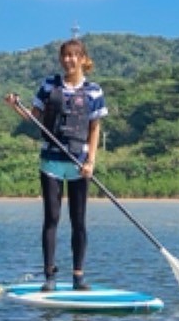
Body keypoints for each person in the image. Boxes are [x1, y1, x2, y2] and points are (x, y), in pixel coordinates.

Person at [8, 39, 107, 291]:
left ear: (83, 59)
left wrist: (90, 161)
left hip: (78, 164)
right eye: (65, 56)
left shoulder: (94, 91)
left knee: (78, 220)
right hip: (51, 161)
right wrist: (15, 106)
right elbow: (34, 117)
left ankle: (78, 276)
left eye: (74, 56)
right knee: (51, 218)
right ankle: (49, 276)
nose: (68, 60)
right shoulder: (49, 86)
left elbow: (95, 128)